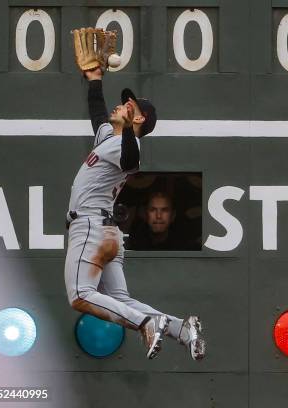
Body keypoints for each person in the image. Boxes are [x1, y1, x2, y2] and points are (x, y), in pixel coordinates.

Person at [63, 63, 205, 360]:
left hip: (90, 227)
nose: (122, 105)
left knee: (79, 294)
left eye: (130, 106)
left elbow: (130, 161)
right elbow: (98, 113)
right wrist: (95, 80)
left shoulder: (130, 144)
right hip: (107, 232)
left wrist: (128, 129)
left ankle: (146, 322)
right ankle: (182, 329)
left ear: (138, 119)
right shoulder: (109, 138)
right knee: (118, 298)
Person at [126, 191, 200, 250]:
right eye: (153, 210)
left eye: (164, 210)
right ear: (145, 214)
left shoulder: (186, 247)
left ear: (172, 216)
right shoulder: (134, 244)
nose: (158, 216)